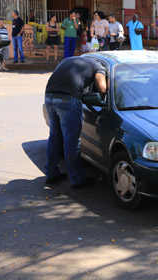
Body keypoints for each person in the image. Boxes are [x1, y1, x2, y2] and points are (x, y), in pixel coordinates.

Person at [44, 56, 107, 189]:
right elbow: (102, 89)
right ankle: (77, 179)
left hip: (49, 97)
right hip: (68, 100)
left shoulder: (68, 60)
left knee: (55, 137)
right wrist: (101, 99)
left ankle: (51, 173)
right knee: (71, 141)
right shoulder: (98, 67)